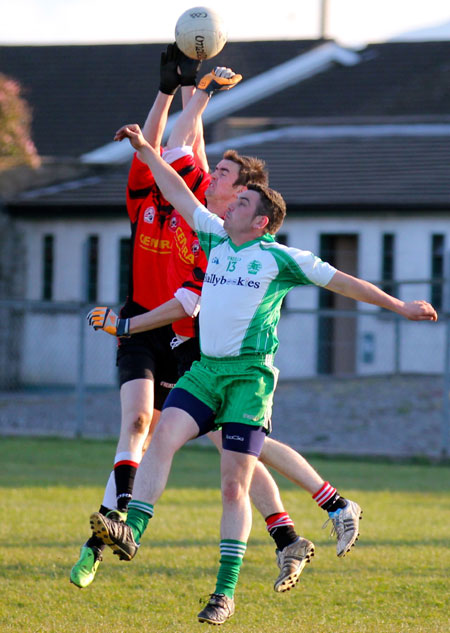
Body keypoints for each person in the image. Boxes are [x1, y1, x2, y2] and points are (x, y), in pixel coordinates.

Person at [89, 87, 437, 624]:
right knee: (162, 438)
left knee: (234, 484)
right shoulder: (214, 235)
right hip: (205, 371)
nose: (227, 205)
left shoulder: (280, 258)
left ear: (262, 222)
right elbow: (178, 190)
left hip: (250, 380)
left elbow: (345, 282)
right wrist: (143, 147)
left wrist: (399, 306)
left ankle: (225, 592)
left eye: (242, 203)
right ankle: (131, 531)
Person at [72, 49, 322, 594]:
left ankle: (288, 534)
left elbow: (186, 305)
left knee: (235, 451)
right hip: (143, 321)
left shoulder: (221, 236)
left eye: (225, 177)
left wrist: (122, 328)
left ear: (240, 199)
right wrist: (184, 87)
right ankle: (103, 540)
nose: (209, 176)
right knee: (140, 424)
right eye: (213, 173)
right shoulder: (175, 191)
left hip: (188, 341)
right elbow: (175, 145)